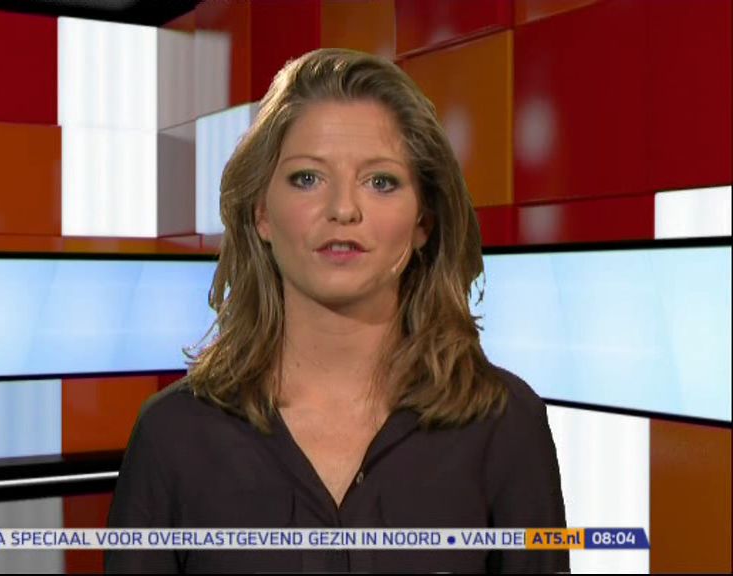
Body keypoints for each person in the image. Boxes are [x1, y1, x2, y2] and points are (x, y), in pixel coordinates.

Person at [105, 47, 568, 573]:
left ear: (423, 222)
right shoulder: (173, 435)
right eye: (307, 178)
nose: (343, 209)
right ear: (261, 213)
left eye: (381, 181)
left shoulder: (505, 424)